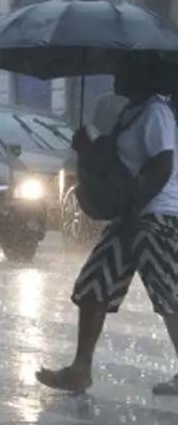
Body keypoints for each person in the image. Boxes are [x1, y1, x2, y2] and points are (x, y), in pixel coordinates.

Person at [38, 63, 178, 395]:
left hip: (156, 215)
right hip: (131, 214)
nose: (117, 75)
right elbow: (118, 163)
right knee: (94, 285)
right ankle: (80, 369)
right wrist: (89, 147)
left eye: (124, 70)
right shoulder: (132, 112)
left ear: (144, 75)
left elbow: (162, 164)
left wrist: (134, 208)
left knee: (169, 293)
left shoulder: (157, 112)